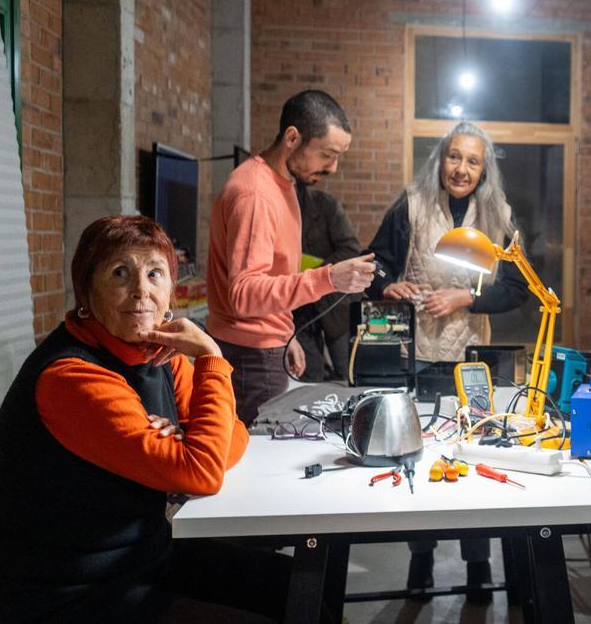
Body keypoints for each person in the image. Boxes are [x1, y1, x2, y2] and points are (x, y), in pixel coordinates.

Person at [0, 216, 287, 622]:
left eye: (155, 273)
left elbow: (233, 434)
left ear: (171, 290)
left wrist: (189, 437)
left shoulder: (159, 355)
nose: (141, 291)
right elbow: (202, 472)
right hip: (58, 595)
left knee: (296, 586)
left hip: (138, 560)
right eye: (120, 273)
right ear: (86, 292)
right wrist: (210, 357)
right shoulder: (71, 378)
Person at [367, 121, 527, 602]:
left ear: (484, 169)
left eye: (473, 161)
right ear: (442, 159)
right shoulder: (411, 205)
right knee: (417, 453)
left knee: (470, 454)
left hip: (468, 356)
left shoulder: (498, 214)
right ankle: (421, 563)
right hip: (415, 354)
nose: (461, 169)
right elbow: (373, 263)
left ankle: (478, 566)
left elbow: (518, 289)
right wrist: (385, 285)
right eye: (454, 157)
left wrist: (466, 298)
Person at [207, 89, 377, 423]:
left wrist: (285, 334)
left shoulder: (281, 185)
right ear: (292, 137)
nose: (333, 168)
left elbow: (270, 276)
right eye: (326, 154)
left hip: (264, 345)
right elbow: (243, 295)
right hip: (250, 356)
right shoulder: (256, 194)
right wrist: (327, 278)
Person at [293, 181, 364, 381]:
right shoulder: (275, 211)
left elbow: (351, 249)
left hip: (335, 303)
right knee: (309, 373)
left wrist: (316, 275)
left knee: (347, 372)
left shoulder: (325, 205)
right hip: (300, 307)